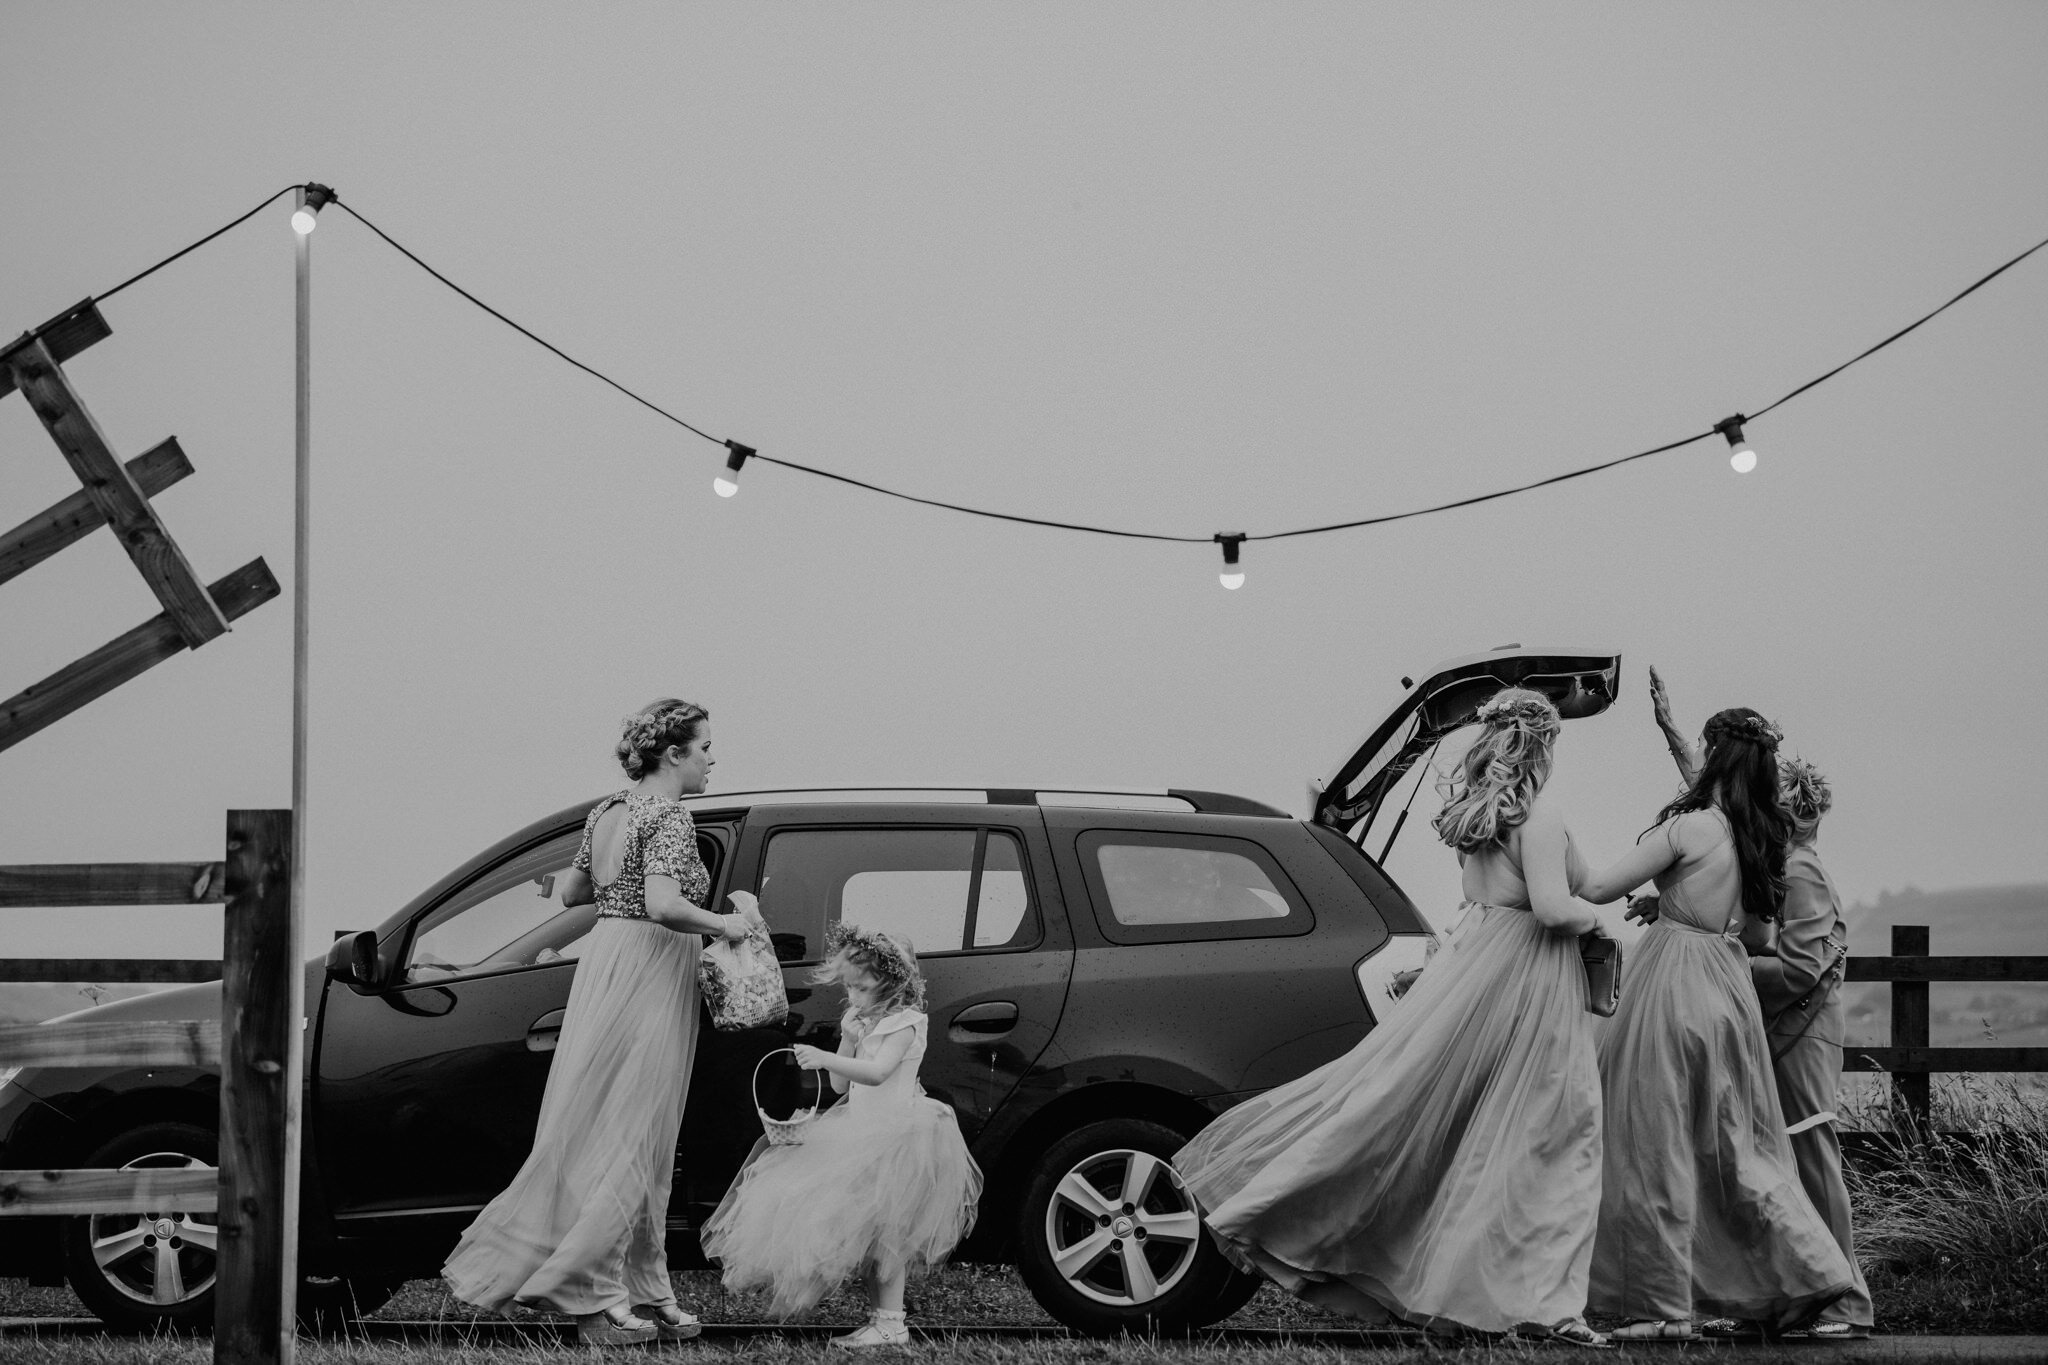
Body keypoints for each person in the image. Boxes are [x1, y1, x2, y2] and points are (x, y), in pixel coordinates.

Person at [1170, 689, 1612, 1346]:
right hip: (1527, 983)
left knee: (1436, 1125)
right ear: (1542, 746)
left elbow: (1527, 894)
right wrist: (1596, 921)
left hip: (1476, 976)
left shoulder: (1479, 817)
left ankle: (1484, 1296)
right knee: (1556, 1136)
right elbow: (1554, 908)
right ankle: (1547, 1307)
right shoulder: (1540, 818)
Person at [444, 699, 765, 1346]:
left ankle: (648, 1287)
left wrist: (617, 889)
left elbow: (572, 894)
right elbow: (665, 905)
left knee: (618, 1131)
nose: (712, 759)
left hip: (608, 965)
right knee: (632, 1136)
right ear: (674, 753)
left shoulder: (608, 809)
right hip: (650, 969)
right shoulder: (669, 815)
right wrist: (728, 924)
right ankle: (593, 1293)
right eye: (705, 747)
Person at [1575, 700, 1855, 1340]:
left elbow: (1597, 888)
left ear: (1716, 755)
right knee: (1734, 1144)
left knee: (1654, 1142)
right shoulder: (1757, 839)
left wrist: (1547, 838)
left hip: (1672, 985)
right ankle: (1812, 1270)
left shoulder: (1690, 828)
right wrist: (1691, 907)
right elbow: (1758, 936)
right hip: (1726, 993)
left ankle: (1663, 1306)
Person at [1648, 670, 1873, 1339]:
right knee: (1764, 1170)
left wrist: (1714, 957)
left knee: (1813, 1164)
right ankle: (1772, 1300)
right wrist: (1672, 733)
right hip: (1769, 1034)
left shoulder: (1802, 871)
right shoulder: (1773, 860)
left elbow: (1799, 968)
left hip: (1800, 1041)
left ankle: (1848, 1303)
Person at [701, 923, 983, 1349]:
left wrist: (826, 1055)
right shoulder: (863, 1021)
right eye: (849, 988)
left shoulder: (906, 1024)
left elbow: (878, 1073)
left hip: (896, 1138)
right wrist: (847, 1041)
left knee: (889, 1236)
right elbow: (839, 1086)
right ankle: (881, 1320)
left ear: (890, 984)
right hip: (860, 1134)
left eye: (861, 988)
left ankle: (892, 1322)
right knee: (868, 1236)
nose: (852, 997)